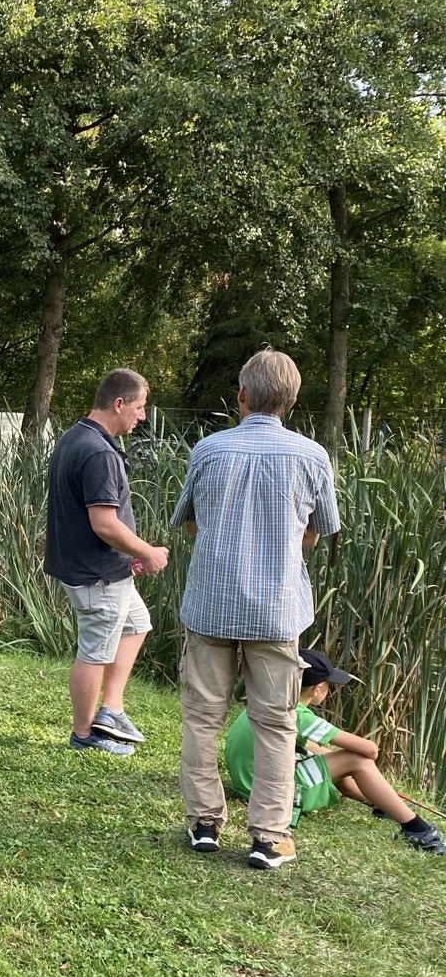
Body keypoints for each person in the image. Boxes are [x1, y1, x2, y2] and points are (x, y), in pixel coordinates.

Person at [171, 350, 339, 868]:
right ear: (292, 401)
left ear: (242, 395)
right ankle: (269, 836)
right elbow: (317, 534)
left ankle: (203, 823)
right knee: (276, 722)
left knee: (203, 717)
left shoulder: (208, 450)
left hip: (212, 605)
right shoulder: (312, 456)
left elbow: (189, 521)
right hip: (276, 610)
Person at [44, 368, 169, 756]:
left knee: (137, 623)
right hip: (96, 575)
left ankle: (110, 710)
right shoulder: (99, 452)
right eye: (140, 407)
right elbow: (103, 523)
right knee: (95, 652)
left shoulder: (75, 437)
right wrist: (146, 552)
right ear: (118, 404)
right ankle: (85, 735)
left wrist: (128, 558)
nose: (142, 416)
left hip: (101, 568)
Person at [223, 647, 446, 854]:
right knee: (356, 760)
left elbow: (314, 750)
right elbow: (369, 750)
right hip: (273, 795)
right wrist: (343, 757)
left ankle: (380, 803)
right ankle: (417, 829)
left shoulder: (267, 702)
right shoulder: (297, 715)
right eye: (329, 686)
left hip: (249, 785)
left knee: (332, 758)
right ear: (318, 689)